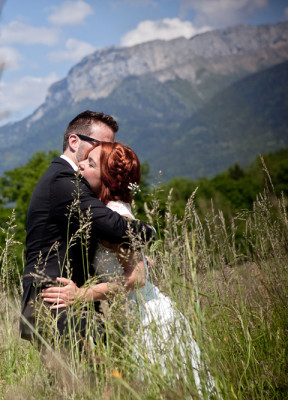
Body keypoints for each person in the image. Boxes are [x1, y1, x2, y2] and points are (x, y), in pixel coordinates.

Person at [42, 142, 216, 395]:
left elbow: (137, 277)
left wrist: (80, 295)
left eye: (90, 164)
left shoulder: (115, 216)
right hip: (126, 319)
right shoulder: (105, 211)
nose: (79, 164)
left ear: (108, 179)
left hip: (147, 320)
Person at [19, 110, 154, 344]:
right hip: (54, 299)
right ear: (74, 141)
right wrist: (150, 233)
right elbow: (113, 225)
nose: (108, 153)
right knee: (82, 378)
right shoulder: (62, 182)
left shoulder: (71, 181)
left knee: (88, 379)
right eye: (102, 144)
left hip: (68, 300)